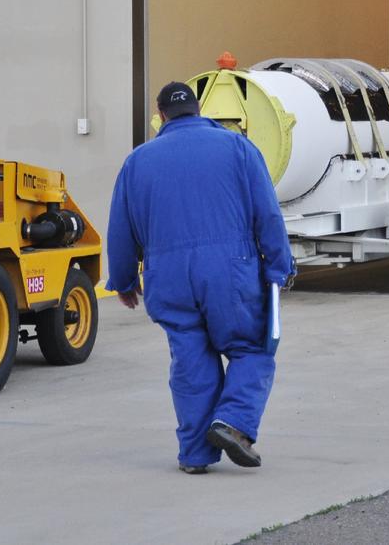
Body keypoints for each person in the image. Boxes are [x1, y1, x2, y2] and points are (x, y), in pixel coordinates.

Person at [107, 81, 295, 475]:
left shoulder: (137, 161)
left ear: (160, 117)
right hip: (230, 271)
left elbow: (121, 230)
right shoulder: (238, 148)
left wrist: (124, 281)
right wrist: (279, 265)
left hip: (167, 278)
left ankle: (194, 455)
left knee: (191, 362)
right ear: (199, 109)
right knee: (251, 348)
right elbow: (268, 214)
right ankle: (233, 422)